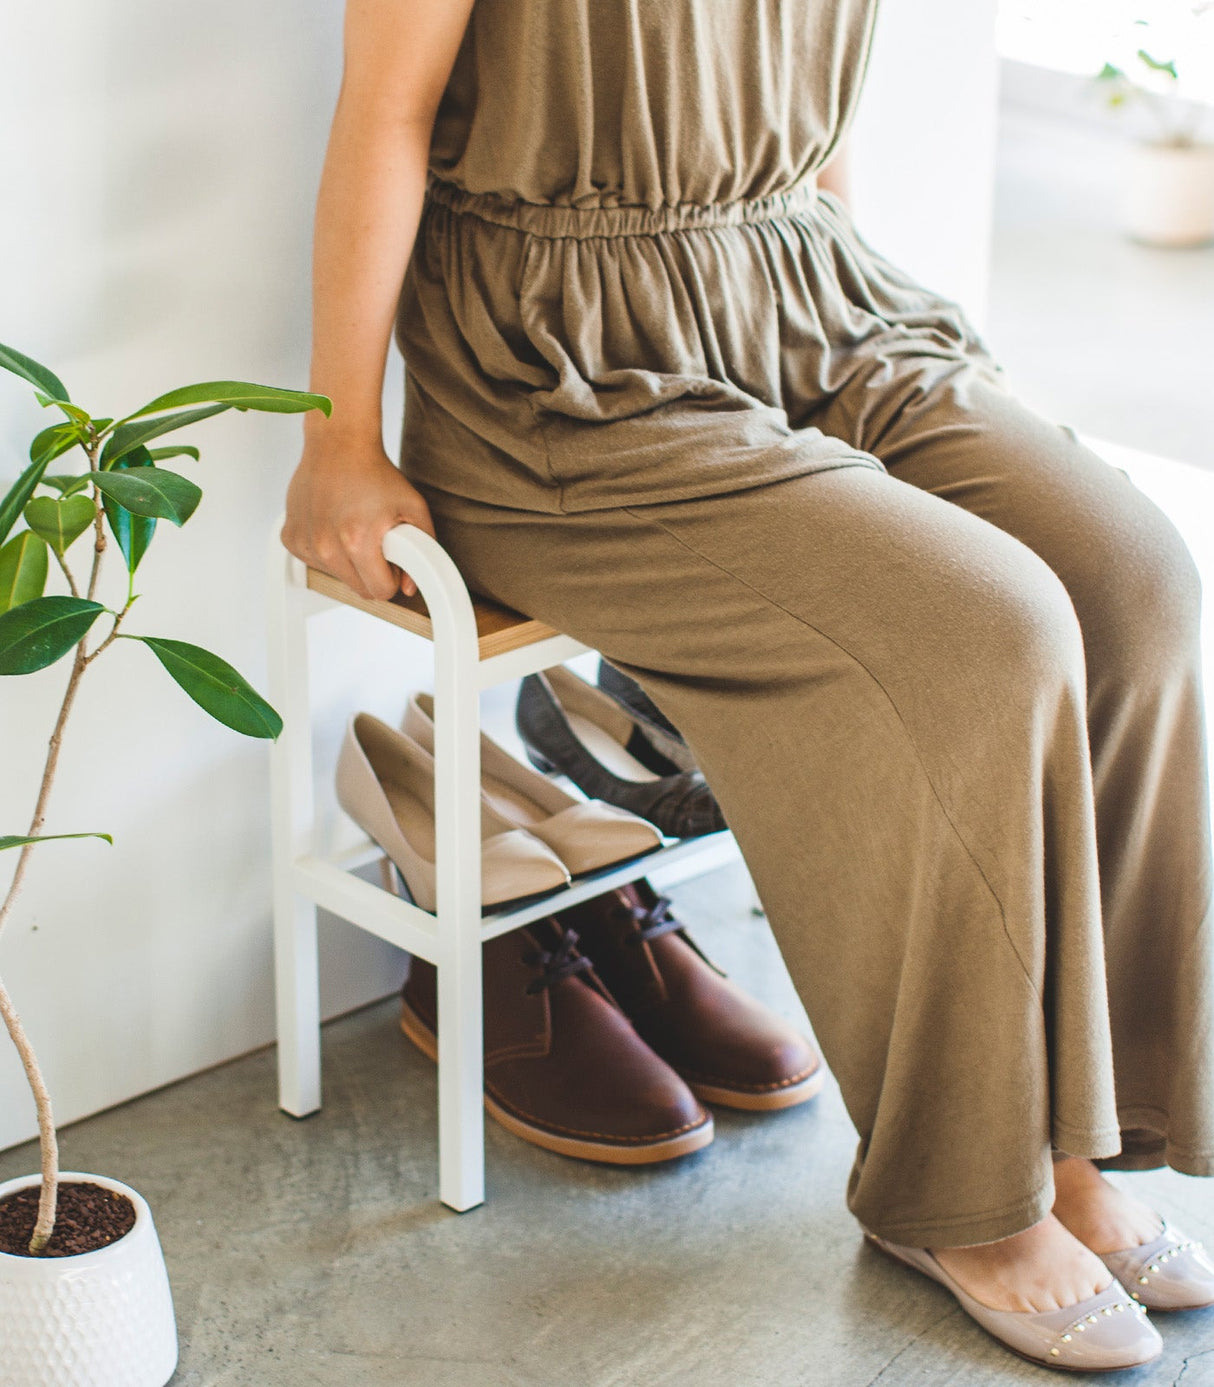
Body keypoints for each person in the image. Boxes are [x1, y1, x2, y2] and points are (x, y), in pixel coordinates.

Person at [280, 0, 1214, 1371]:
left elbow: (800, 105)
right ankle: (959, 1193)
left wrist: (862, 321)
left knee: (1130, 582)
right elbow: (386, 112)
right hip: (559, 366)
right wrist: (341, 439)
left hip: (809, 292)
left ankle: (1080, 1141)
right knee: (988, 630)